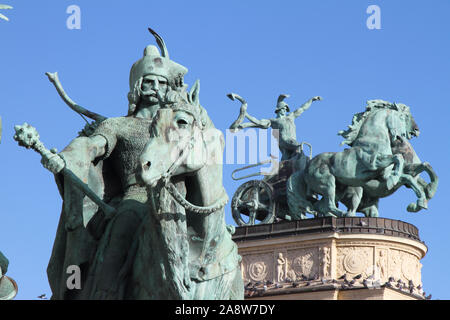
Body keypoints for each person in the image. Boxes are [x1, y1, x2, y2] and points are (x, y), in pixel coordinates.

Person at [42, 36, 188, 299]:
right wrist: (68, 156)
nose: (154, 87)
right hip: (136, 197)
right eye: (149, 82)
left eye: (161, 82)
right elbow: (93, 145)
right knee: (121, 230)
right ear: (137, 86)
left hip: (178, 199)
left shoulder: (176, 126)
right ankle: (103, 292)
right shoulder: (118, 124)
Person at [229, 94, 321, 160]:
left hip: (290, 141)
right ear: (278, 110)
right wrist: (245, 114)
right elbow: (258, 122)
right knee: (299, 147)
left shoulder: (291, 116)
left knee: (285, 161)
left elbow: (302, 108)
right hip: (285, 141)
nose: (285, 110)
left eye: (286, 109)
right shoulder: (273, 121)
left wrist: (312, 100)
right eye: (283, 109)